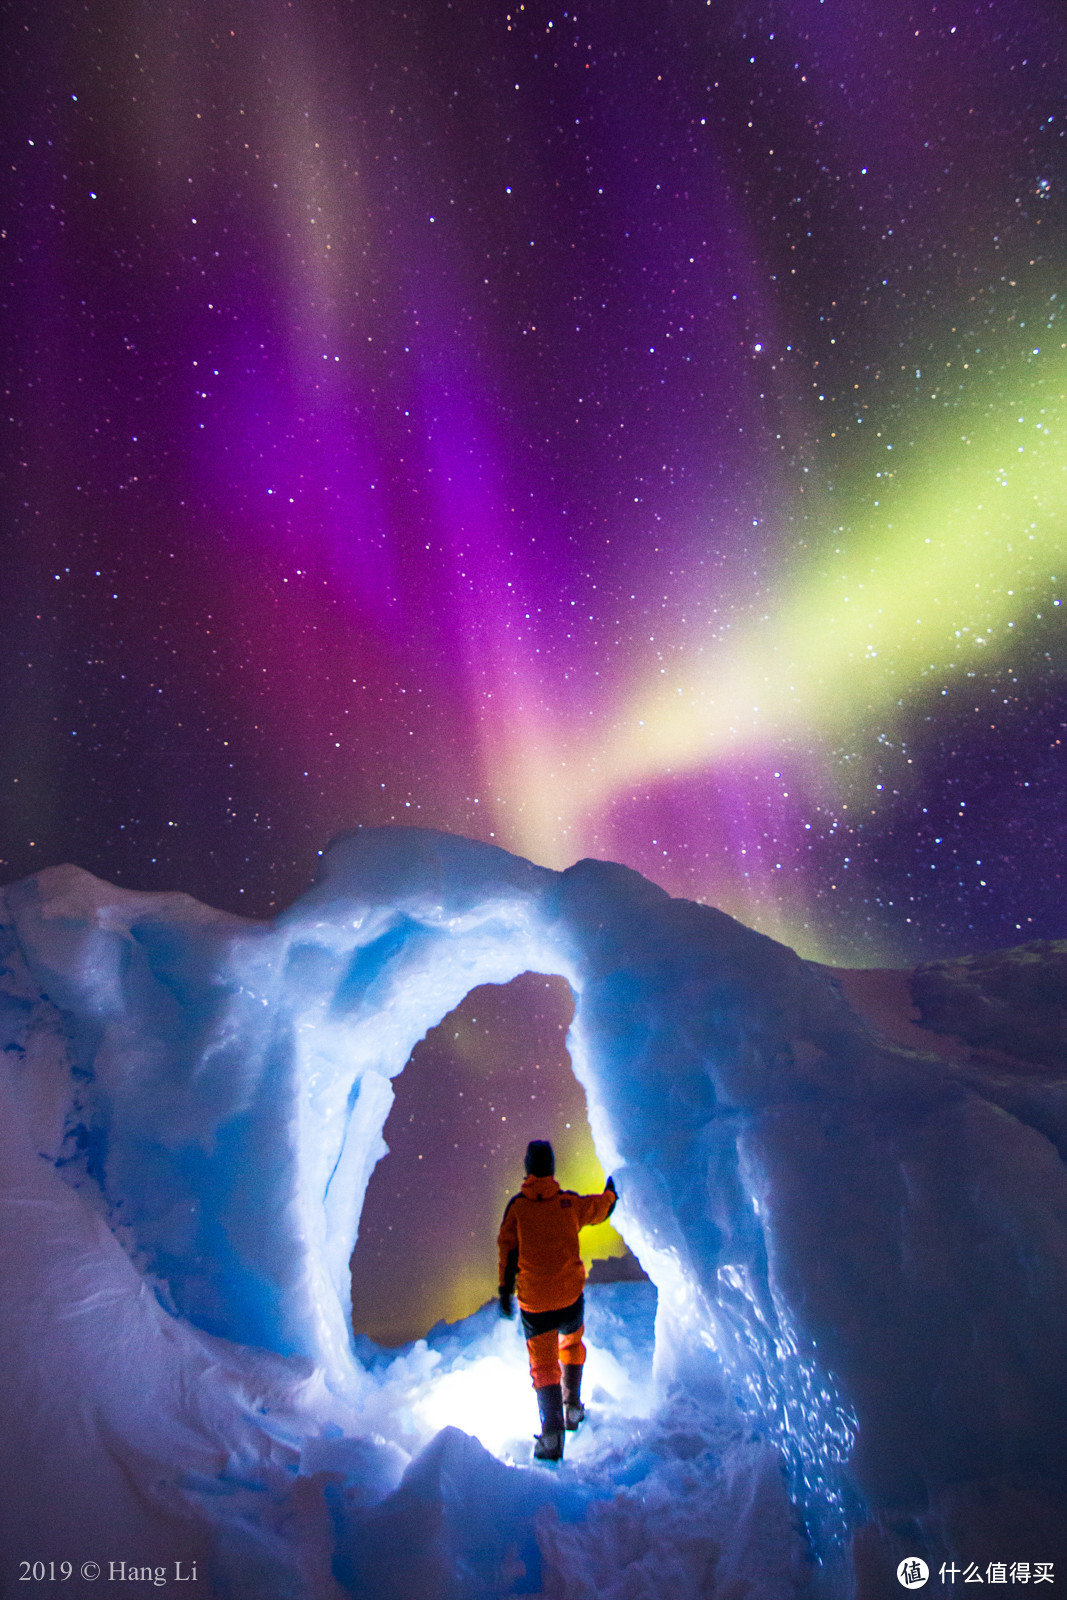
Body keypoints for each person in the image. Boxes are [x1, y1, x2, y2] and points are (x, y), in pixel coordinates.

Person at [497, 1139, 617, 1462]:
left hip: (535, 1305)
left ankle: (552, 1437)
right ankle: (573, 1409)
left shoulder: (518, 1208)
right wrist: (611, 1193)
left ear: (527, 1169)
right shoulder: (567, 1204)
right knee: (572, 1346)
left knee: (544, 1366)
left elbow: (507, 1252)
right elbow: (599, 1209)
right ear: (551, 1168)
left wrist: (504, 1292)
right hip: (569, 1298)